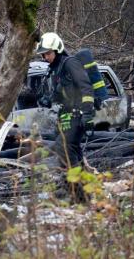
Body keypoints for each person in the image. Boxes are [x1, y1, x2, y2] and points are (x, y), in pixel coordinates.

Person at [36, 32, 95, 185]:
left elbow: (85, 87)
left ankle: (76, 187)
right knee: (73, 150)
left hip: (77, 114)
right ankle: (86, 187)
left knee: (65, 149)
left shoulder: (70, 63)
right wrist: (49, 99)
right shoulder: (57, 69)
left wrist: (87, 113)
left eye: (48, 53)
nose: (45, 58)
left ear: (57, 49)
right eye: (43, 55)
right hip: (66, 115)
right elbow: (63, 91)